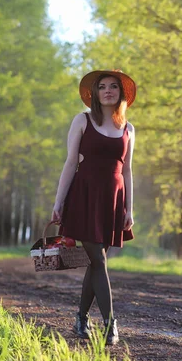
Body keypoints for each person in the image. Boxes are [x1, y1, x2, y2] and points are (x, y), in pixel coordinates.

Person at [51, 70, 136, 346]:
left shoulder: (129, 129)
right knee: (98, 261)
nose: (108, 91)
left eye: (113, 87)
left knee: (95, 262)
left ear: (121, 94)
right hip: (84, 197)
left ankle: (80, 318)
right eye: (102, 87)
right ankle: (110, 324)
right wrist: (58, 201)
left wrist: (129, 210)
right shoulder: (82, 120)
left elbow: (128, 172)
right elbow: (70, 163)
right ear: (95, 94)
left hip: (113, 201)